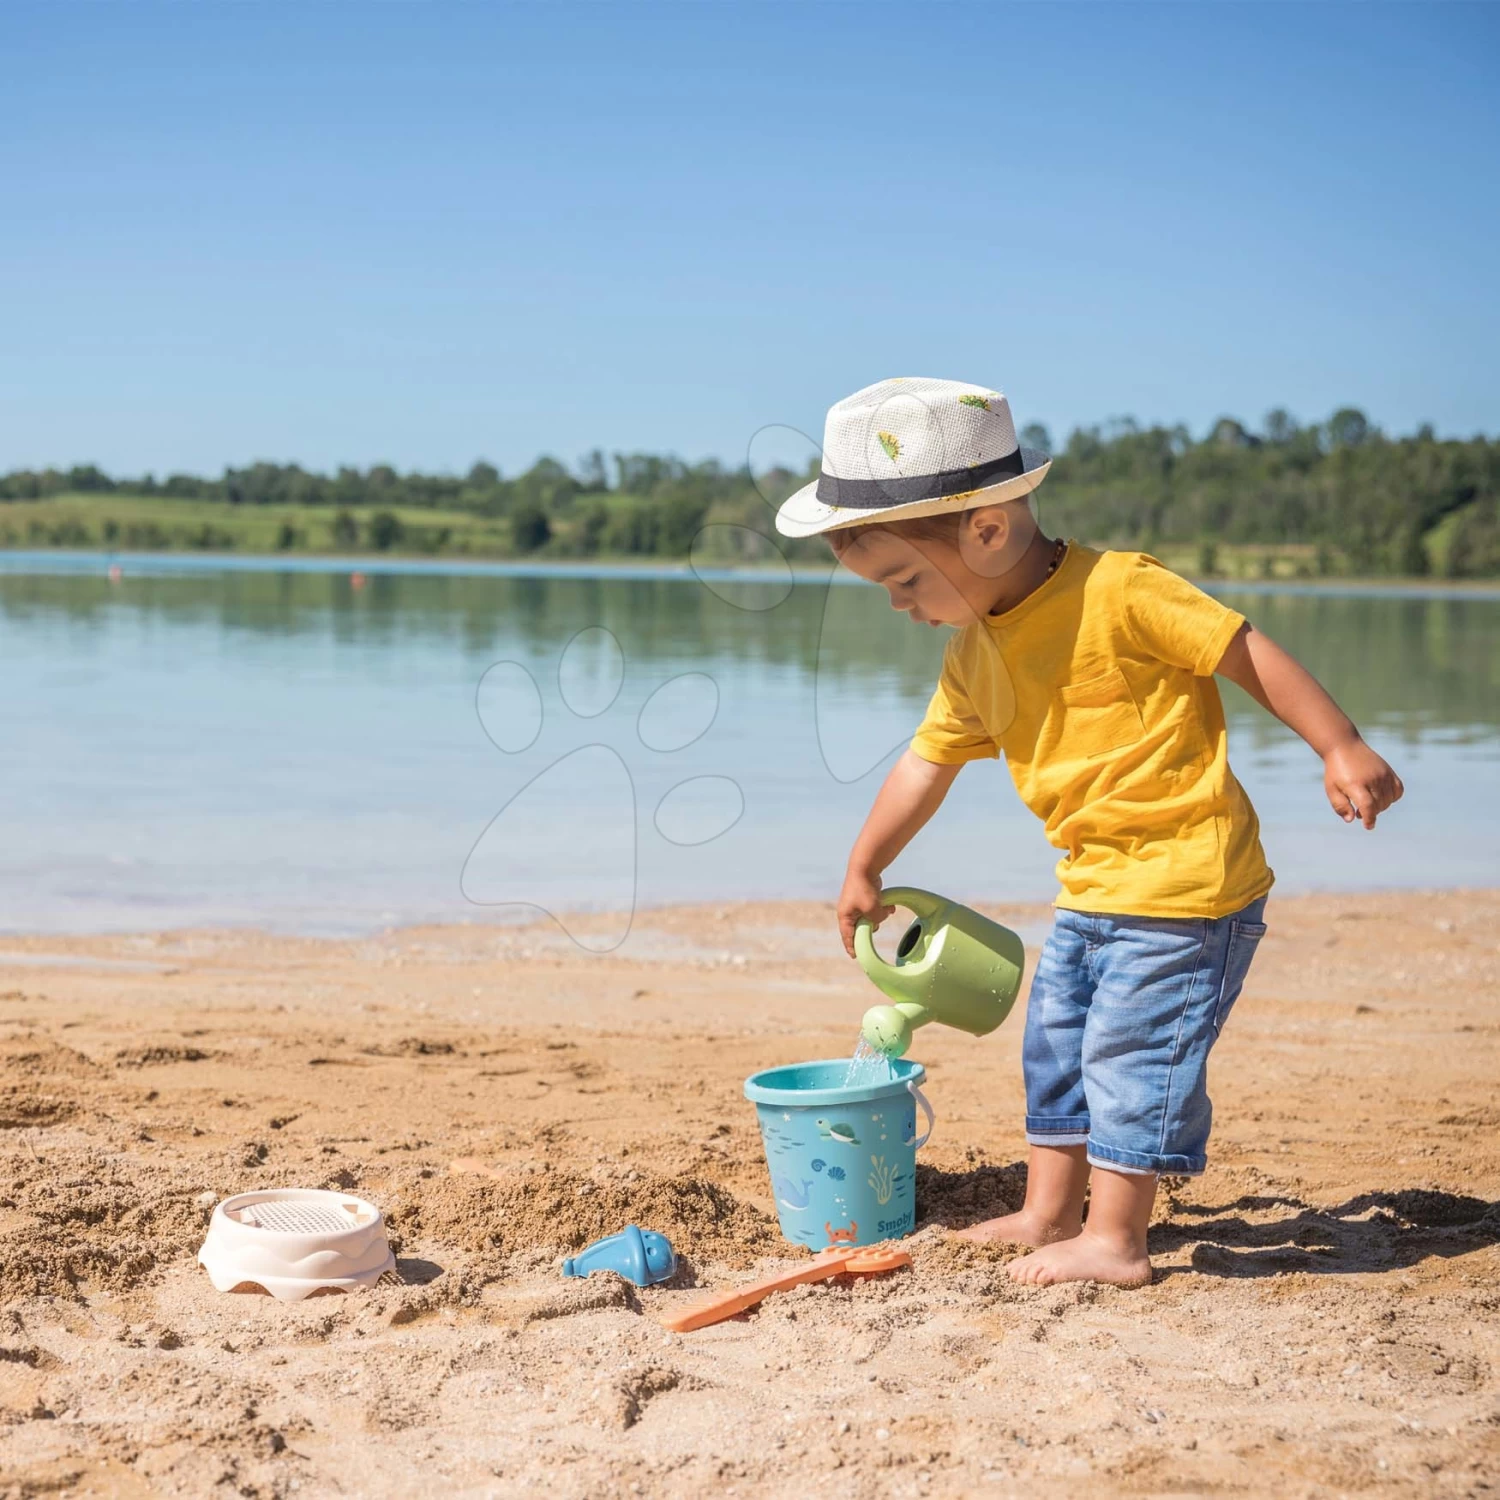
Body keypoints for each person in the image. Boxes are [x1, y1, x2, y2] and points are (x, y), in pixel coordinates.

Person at [775, 378, 1403, 1287]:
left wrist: (1339, 745)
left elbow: (1241, 649)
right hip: (1091, 886)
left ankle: (1116, 1239)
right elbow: (926, 764)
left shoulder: (1120, 590)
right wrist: (865, 863)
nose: (897, 604)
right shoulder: (973, 652)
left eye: (904, 579)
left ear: (988, 530)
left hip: (1187, 883)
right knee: (1057, 1046)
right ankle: (1048, 1213)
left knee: (1130, 1055)